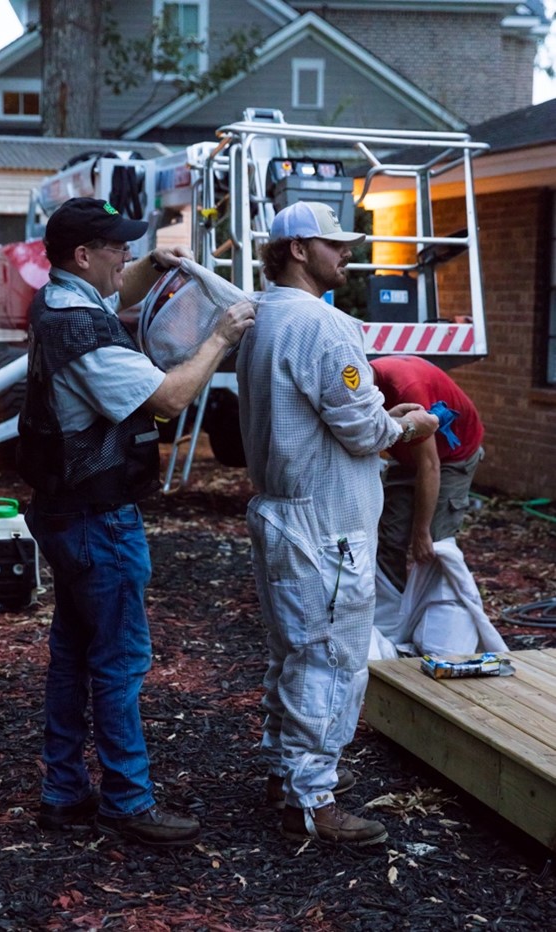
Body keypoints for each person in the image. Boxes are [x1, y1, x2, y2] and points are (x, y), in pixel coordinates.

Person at [17, 197, 255, 848]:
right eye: (117, 248)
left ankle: (63, 793)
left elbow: (114, 292)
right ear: (83, 256)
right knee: (120, 664)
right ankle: (128, 801)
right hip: (98, 518)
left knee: (72, 655)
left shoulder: (58, 301)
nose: (127, 257)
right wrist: (220, 335)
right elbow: (169, 398)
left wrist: (152, 267)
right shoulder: (84, 333)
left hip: (65, 512)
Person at [236, 200, 439, 846]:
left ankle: (286, 772)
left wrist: (379, 416)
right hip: (327, 524)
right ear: (297, 248)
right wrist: (407, 423)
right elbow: (358, 427)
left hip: (282, 510)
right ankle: (312, 799)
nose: (346, 254)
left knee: (292, 653)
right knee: (331, 660)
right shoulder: (325, 327)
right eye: (334, 244)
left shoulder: (261, 317)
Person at [370, 355, 484, 593]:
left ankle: (440, 617)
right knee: (390, 538)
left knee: (434, 543)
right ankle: (393, 618)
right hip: (408, 455)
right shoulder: (353, 390)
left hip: (452, 456)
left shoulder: (407, 389)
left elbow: (430, 466)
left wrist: (421, 532)